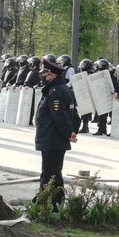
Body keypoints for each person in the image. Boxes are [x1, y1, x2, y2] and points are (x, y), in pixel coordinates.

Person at [35, 59, 77, 211]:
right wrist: (72, 131)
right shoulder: (62, 88)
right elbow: (74, 114)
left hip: (52, 138)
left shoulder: (55, 91)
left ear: (51, 75)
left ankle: (47, 204)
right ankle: (54, 203)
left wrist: (68, 133)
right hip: (53, 138)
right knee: (54, 172)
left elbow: (61, 116)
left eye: (45, 74)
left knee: (49, 173)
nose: (43, 77)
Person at [77, 59, 95, 133]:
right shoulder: (84, 73)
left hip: (88, 94)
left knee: (86, 112)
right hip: (84, 93)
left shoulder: (90, 74)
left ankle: (85, 127)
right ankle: (85, 127)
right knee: (84, 111)